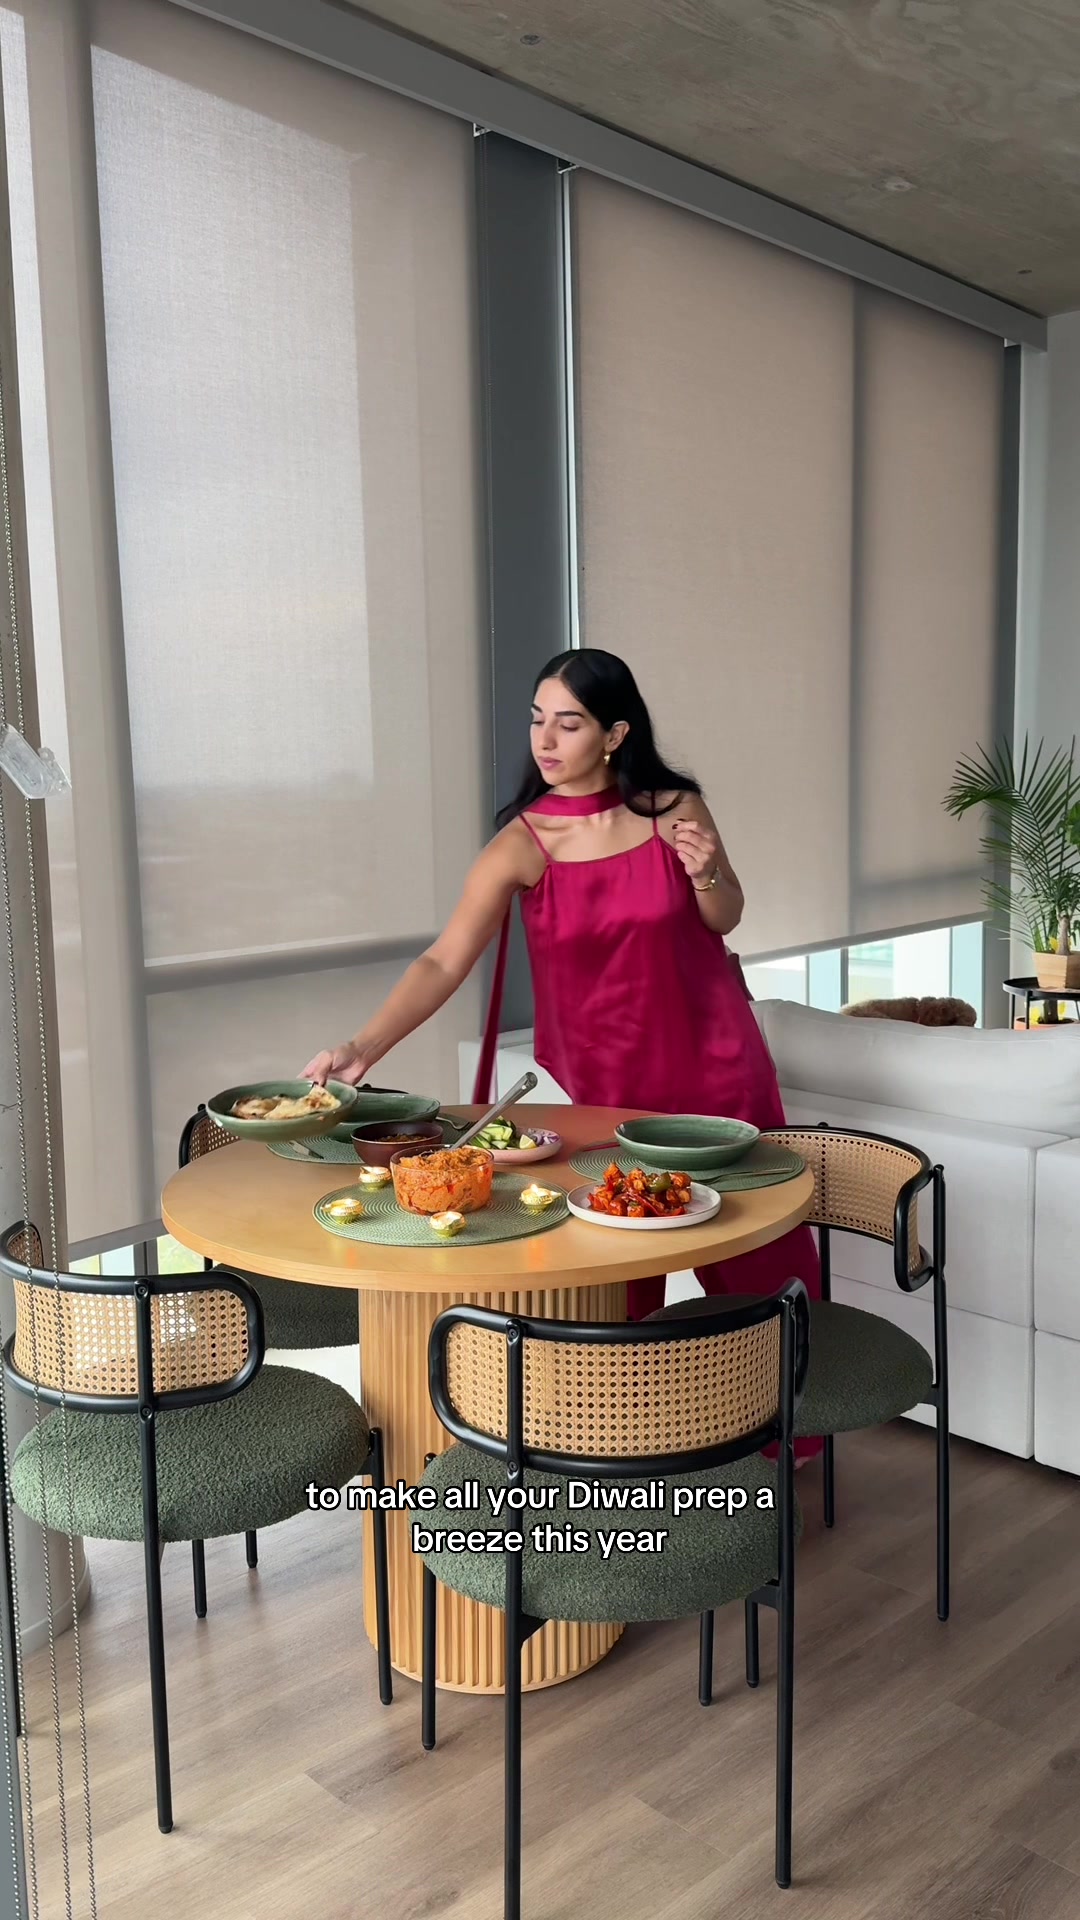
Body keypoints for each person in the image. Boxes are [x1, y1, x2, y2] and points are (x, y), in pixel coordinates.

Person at [303, 648, 821, 1450]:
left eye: (569, 723)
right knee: (619, 1278)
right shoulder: (523, 843)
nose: (545, 739)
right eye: (538, 719)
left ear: (615, 734)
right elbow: (443, 961)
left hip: (717, 1065)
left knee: (760, 1258)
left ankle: (793, 1437)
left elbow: (724, 918)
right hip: (606, 1095)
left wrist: (709, 871)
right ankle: (631, 1447)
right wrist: (362, 1046)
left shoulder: (674, 809)